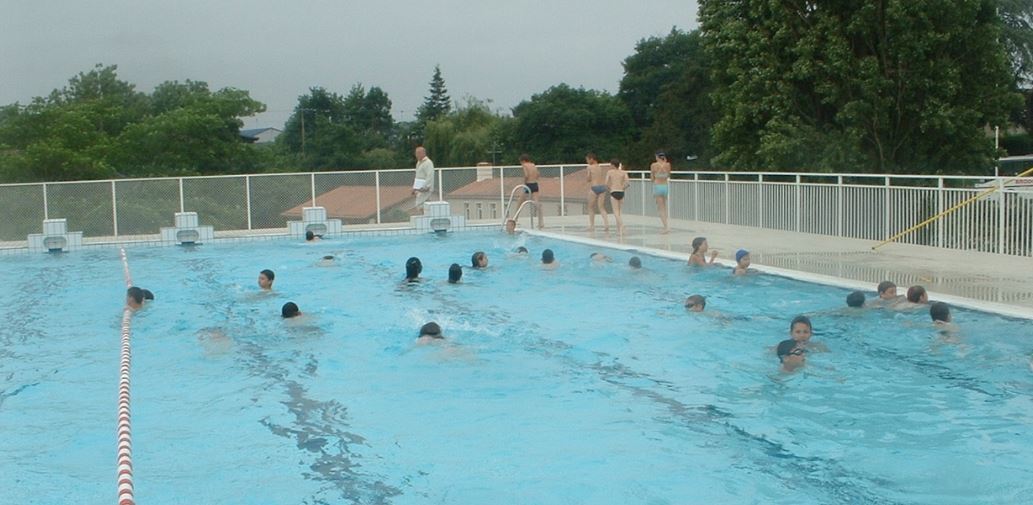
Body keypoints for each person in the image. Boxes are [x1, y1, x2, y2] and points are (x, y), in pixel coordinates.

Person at [515, 154, 544, 229]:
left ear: (523, 161)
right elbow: (538, 174)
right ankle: (541, 222)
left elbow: (526, 175)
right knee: (537, 203)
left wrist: (524, 183)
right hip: (535, 184)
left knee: (520, 202)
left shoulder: (525, 165)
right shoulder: (533, 165)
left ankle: (515, 218)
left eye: (520, 162)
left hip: (528, 185)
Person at [586, 153, 609, 233]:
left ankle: (592, 225)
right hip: (602, 187)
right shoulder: (600, 167)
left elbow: (588, 179)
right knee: (601, 207)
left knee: (590, 207)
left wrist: (588, 178)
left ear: (592, 159)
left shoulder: (589, 167)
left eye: (588, 160)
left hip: (594, 187)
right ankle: (606, 225)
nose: (587, 161)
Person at [605, 159, 629, 234]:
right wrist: (623, 187)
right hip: (621, 192)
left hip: (614, 191)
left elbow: (606, 183)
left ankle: (622, 226)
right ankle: (619, 230)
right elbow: (627, 183)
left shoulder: (610, 172)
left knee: (615, 212)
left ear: (613, 165)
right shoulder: (623, 172)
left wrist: (610, 189)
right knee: (619, 212)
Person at [650, 151, 671, 233]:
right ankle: (666, 225)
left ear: (657, 157)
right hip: (665, 186)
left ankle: (665, 227)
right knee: (664, 207)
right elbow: (668, 175)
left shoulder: (654, 165)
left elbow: (652, 178)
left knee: (660, 208)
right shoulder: (668, 165)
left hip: (657, 186)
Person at [411, 146, 436, 210]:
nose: (416, 155)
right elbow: (417, 176)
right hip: (419, 189)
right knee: (425, 205)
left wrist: (425, 187)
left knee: (420, 205)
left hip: (426, 189)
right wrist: (415, 188)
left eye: (418, 153)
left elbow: (429, 176)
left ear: (423, 153)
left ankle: (424, 217)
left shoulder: (428, 163)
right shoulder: (418, 163)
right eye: (416, 153)